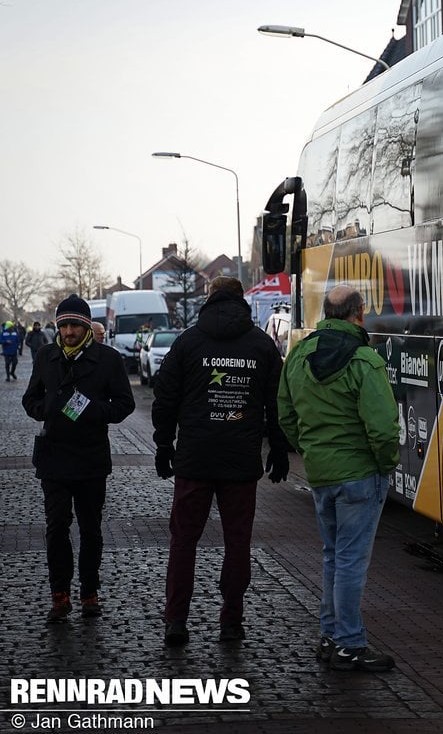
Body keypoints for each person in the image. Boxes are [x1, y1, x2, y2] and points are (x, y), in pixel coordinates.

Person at [151, 276, 290, 646]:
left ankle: (176, 620)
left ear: (209, 297)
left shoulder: (187, 343)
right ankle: (231, 620)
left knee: (183, 541)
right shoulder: (262, 345)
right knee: (238, 542)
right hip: (240, 461)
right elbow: (277, 404)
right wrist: (278, 449)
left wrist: (164, 446)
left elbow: (164, 398)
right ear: (242, 299)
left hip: (195, 458)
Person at [277, 285, 399, 672]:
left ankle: (331, 636)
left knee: (333, 557)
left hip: (321, 473)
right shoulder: (364, 360)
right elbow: (382, 428)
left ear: (326, 314)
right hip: (361, 474)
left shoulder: (298, 356)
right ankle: (349, 644)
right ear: (359, 314)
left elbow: (286, 415)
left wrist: (311, 450)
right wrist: (385, 464)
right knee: (350, 561)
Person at [21, 294, 135, 622]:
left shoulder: (108, 360)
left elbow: (124, 404)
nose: (68, 331)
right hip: (53, 456)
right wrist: (49, 408)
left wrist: (91, 410)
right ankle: (59, 595)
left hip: (90, 457)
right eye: (64, 325)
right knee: (56, 527)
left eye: (75, 325)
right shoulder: (46, 356)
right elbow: (31, 399)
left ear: (86, 327)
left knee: (90, 529)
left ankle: (89, 593)